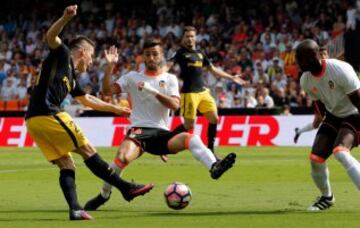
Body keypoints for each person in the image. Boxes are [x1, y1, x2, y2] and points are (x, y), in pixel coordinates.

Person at [25, 5, 153, 220]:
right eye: (92, 56)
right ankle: (124, 188)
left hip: (34, 121)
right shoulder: (63, 54)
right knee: (86, 149)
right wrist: (65, 18)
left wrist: (116, 109)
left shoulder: (72, 78)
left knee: (67, 163)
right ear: (82, 53)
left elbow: (87, 100)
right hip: (48, 113)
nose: (92, 62)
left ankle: (75, 210)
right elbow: (51, 36)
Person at [84, 38, 236, 211]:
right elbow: (106, 91)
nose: (151, 57)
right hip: (139, 131)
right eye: (147, 54)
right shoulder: (132, 77)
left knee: (191, 138)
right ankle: (104, 195)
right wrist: (109, 67)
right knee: (122, 158)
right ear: (143, 57)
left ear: (162, 56)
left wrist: (152, 90)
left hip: (162, 135)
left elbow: (174, 105)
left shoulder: (169, 78)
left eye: (155, 54)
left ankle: (214, 166)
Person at [296, 39, 360, 211]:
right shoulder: (305, 80)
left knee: (340, 152)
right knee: (315, 159)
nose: (297, 63)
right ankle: (327, 197)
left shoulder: (339, 69)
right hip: (333, 117)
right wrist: (320, 124)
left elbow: (358, 100)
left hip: (355, 114)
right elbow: (321, 109)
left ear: (312, 56)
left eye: (299, 58)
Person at [164, 26, 246, 156]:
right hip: (189, 93)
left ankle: (211, 150)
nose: (190, 39)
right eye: (187, 36)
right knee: (189, 125)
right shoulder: (180, 53)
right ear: (183, 39)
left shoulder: (200, 53)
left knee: (214, 118)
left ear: (195, 38)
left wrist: (231, 77)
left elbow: (213, 69)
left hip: (203, 92)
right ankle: (165, 144)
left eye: (192, 36)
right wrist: (156, 76)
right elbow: (167, 66)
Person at [294, 46, 328, 144]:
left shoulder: (333, 68)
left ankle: (299, 131)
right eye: (321, 55)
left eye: (325, 54)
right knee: (317, 123)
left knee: (317, 123)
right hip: (320, 100)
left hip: (331, 99)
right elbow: (307, 83)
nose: (323, 57)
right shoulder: (311, 70)